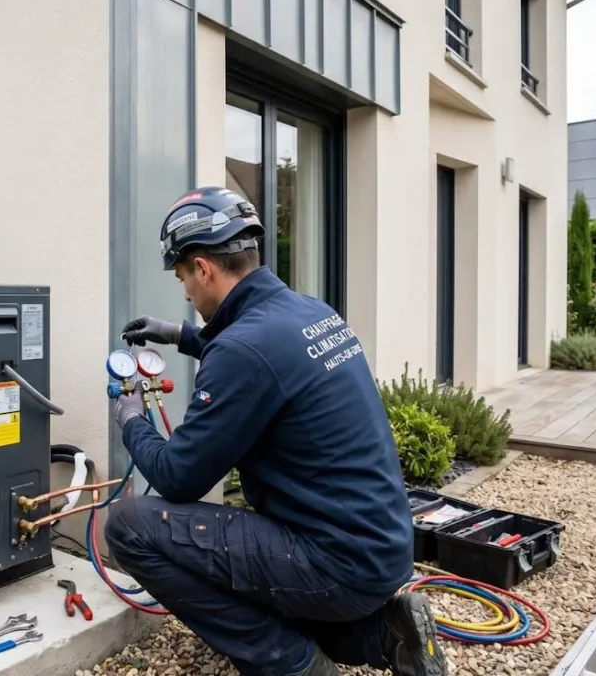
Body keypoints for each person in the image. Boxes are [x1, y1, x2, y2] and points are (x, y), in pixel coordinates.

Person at [104, 185, 447, 676]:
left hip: (334, 564)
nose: (185, 293)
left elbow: (178, 477)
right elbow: (265, 364)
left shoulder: (244, 349)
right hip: (382, 551)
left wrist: (132, 418)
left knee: (129, 525)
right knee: (254, 563)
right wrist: (181, 335)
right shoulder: (311, 313)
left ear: (203, 267)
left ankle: (293, 664)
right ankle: (386, 634)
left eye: (183, 277)